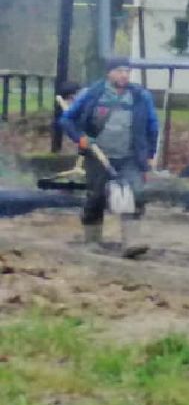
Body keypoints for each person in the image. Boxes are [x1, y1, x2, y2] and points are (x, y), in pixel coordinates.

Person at [59, 59, 159, 258]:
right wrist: (80, 139)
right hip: (98, 156)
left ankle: (131, 241)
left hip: (130, 156)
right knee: (96, 196)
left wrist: (149, 155)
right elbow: (67, 120)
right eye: (119, 71)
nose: (124, 75)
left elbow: (152, 126)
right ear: (109, 73)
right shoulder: (92, 94)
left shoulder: (140, 96)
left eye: (127, 71)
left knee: (136, 193)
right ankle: (92, 240)